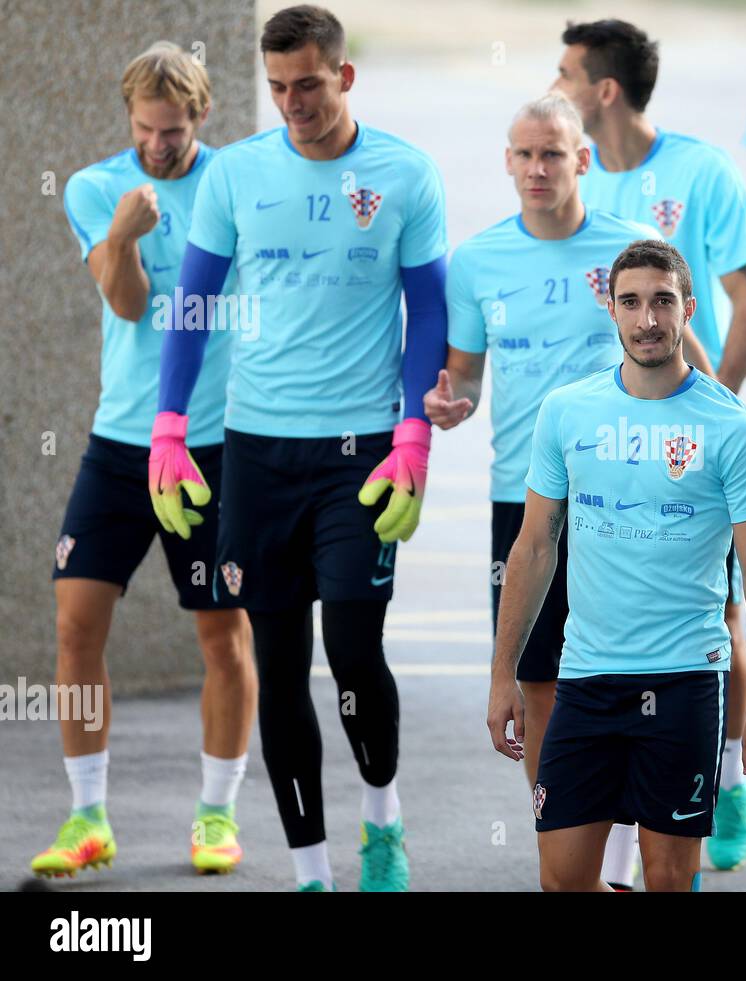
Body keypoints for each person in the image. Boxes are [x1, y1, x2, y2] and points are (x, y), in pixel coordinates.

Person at [150, 4, 449, 892]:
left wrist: (414, 435)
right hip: (256, 454)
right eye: (278, 87)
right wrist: (170, 427)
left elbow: (428, 310)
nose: (292, 103)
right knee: (278, 668)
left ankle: (382, 819)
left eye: (309, 85)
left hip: (361, 457)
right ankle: (312, 872)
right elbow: (194, 307)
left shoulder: (404, 173)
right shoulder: (237, 174)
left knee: (355, 655)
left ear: (345, 77)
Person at [486, 240, 746, 892]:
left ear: (688, 308)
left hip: (685, 679)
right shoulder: (567, 412)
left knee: (668, 879)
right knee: (562, 879)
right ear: (611, 307)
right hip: (587, 677)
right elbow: (534, 546)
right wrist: (501, 672)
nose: (646, 319)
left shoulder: (732, 427)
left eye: (661, 301)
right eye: (630, 301)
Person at [424, 93, 663, 884]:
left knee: (622, 673)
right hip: (522, 501)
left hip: (621, 497)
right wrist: (447, 404)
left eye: (553, 154)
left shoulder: (630, 250)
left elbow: (678, 353)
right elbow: (462, 374)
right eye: (524, 155)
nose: (537, 169)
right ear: (507, 162)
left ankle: (620, 861)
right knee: (538, 679)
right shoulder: (479, 260)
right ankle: (563, 849)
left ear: (582, 160)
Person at [552, 18, 746, 874]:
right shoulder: (570, 172)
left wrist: (716, 409)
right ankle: (612, 814)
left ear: (603, 89)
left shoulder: (699, 169)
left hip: (688, 433)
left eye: (566, 72)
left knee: (718, 611)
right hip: (603, 433)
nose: (556, 84)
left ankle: (723, 777)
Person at [32, 41, 256, 881]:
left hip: (216, 443)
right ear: (129, 121)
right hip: (121, 441)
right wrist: (123, 236)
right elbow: (125, 302)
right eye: (145, 131)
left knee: (220, 632)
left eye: (173, 131)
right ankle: (88, 815)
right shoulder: (98, 189)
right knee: (74, 624)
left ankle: (216, 815)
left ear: (202, 116)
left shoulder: (235, 182)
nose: (158, 146)